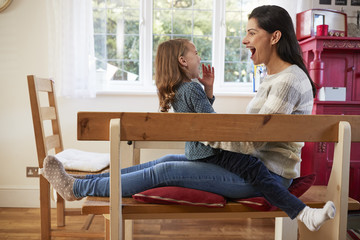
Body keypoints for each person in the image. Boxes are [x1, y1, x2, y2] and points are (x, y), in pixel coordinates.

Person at [42, 5, 334, 232]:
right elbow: (252, 134)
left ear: (275, 36)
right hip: (257, 167)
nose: (245, 40)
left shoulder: (286, 81)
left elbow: (255, 140)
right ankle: (82, 182)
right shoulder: (275, 77)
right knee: (164, 162)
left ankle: (78, 188)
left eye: (251, 33)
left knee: (164, 172)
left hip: (265, 177)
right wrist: (209, 131)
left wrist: (206, 133)